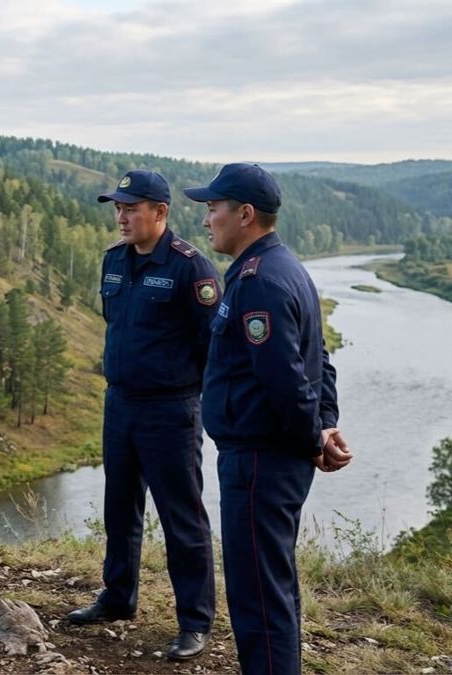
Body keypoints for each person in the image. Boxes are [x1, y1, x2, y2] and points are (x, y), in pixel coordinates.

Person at [183, 163, 352, 675]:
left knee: (258, 593)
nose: (206, 219)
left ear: (245, 214)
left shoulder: (259, 282)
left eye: (213, 208)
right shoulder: (284, 267)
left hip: (261, 460)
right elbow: (318, 359)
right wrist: (324, 425)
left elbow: (285, 377)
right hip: (271, 457)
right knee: (271, 583)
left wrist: (313, 438)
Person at [67, 170, 219, 661]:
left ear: (160, 212)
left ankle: (194, 622)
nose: (121, 216)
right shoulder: (113, 260)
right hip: (120, 403)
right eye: (118, 208)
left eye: (131, 208)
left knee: (181, 518)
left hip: (171, 409)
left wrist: (195, 399)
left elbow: (212, 345)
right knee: (119, 508)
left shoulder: (190, 268)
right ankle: (117, 597)